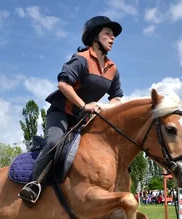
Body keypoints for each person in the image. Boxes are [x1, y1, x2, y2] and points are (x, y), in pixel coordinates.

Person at [19, 16, 124, 206]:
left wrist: (105, 108)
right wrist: (84, 105)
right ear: (94, 37)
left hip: (84, 119)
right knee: (54, 141)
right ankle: (34, 185)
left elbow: (116, 97)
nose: (112, 37)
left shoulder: (112, 68)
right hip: (62, 113)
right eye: (108, 33)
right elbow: (63, 84)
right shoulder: (82, 59)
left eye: (114, 35)